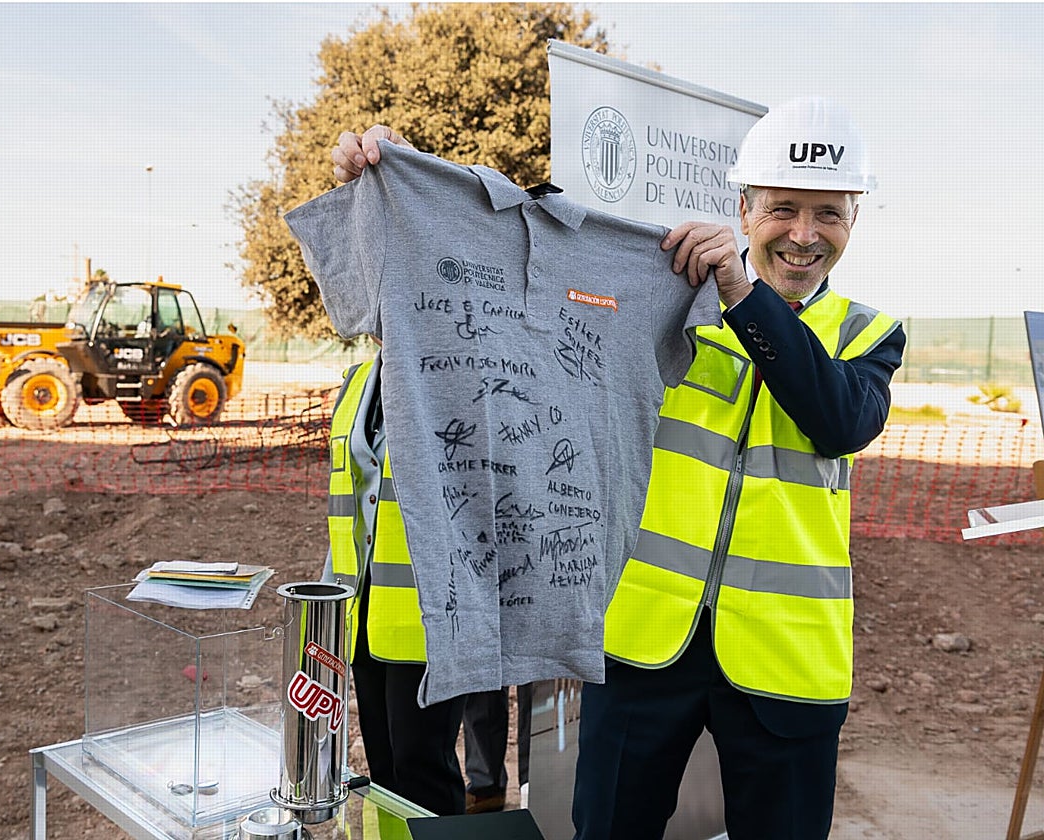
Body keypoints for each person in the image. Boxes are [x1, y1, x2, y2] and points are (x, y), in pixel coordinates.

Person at [327, 96, 905, 840]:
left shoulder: (868, 334)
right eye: (783, 208)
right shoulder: (668, 302)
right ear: (745, 207)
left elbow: (839, 421)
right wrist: (405, 185)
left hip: (786, 660)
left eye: (827, 213)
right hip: (641, 644)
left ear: (854, 218)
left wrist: (740, 292)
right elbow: (513, 282)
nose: (802, 234)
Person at [325, 352, 522, 817]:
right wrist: (330, 595)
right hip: (366, 606)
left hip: (434, 612)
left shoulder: (461, 380)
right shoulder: (356, 383)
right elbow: (349, 498)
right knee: (385, 767)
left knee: (422, 768)